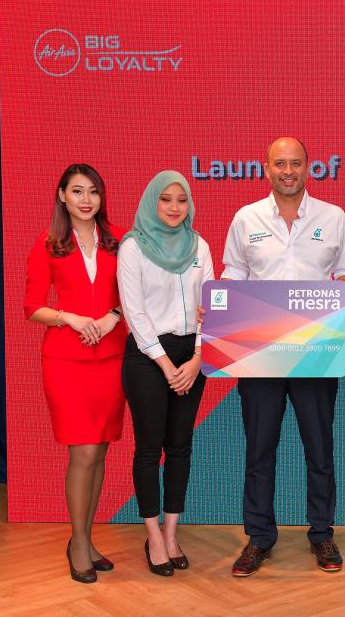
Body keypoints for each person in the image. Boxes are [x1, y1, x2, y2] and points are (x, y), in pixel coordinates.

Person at [223, 136, 345, 577]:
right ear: (266, 168)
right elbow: (232, 272)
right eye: (280, 163)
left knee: (319, 448)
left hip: (315, 347)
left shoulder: (332, 217)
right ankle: (258, 537)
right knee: (259, 450)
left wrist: (344, 289)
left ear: (308, 169)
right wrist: (220, 301)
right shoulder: (246, 218)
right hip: (258, 348)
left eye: (296, 163)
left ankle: (321, 534)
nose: (288, 171)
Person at [23, 163, 126, 583]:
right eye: (78, 191)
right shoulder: (48, 244)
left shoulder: (119, 240)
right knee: (82, 452)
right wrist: (68, 317)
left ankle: (84, 537)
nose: (86, 200)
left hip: (112, 356)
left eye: (94, 192)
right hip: (66, 361)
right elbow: (33, 307)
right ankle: (78, 543)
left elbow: (134, 293)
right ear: (62, 196)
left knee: (99, 450)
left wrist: (112, 316)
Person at [118, 170, 214, 577]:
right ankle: (153, 534)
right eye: (166, 200)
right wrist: (165, 364)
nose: (175, 208)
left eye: (181, 200)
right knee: (148, 448)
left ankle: (172, 533)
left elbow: (213, 305)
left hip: (191, 354)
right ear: (151, 202)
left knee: (179, 447)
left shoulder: (200, 246)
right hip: (147, 357)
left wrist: (196, 360)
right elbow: (134, 312)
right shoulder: (133, 248)